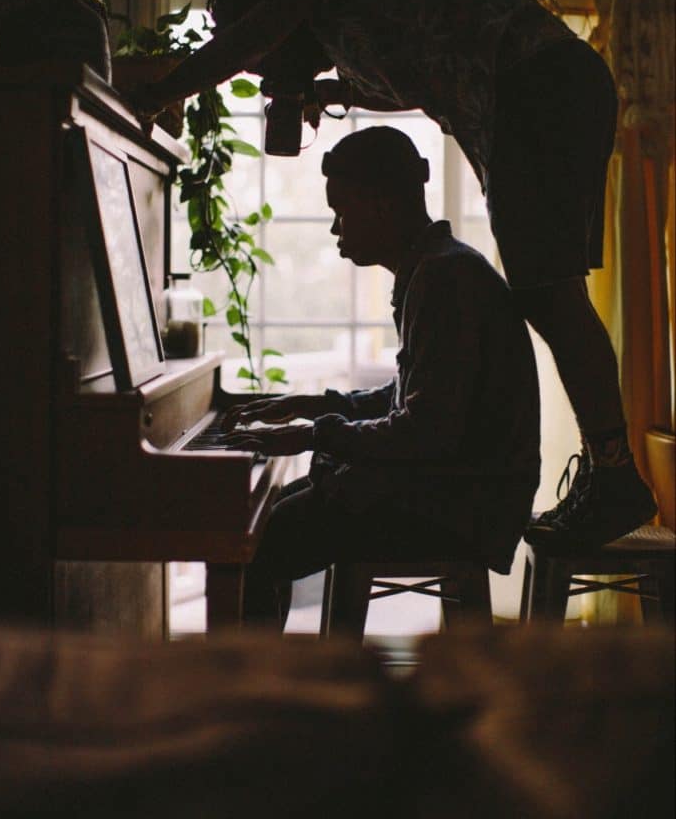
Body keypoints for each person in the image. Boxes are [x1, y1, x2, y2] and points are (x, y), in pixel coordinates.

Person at [135, 0, 657, 549]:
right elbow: (410, 82)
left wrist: (164, 90)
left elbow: (262, 34)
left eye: (267, 67)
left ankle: (616, 478)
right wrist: (331, 89)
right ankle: (613, 473)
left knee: (548, 295)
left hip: (535, 83)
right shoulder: (355, 40)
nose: (275, 83)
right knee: (548, 292)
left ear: (274, 24)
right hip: (528, 95)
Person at [215, 125, 540, 627]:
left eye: (340, 211)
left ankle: (257, 696)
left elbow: (426, 428)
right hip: (459, 489)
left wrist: (310, 435)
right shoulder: (434, 267)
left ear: (382, 205)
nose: (334, 228)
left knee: (264, 536)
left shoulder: (444, 279)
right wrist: (310, 405)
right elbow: (411, 397)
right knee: (274, 515)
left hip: (466, 506)